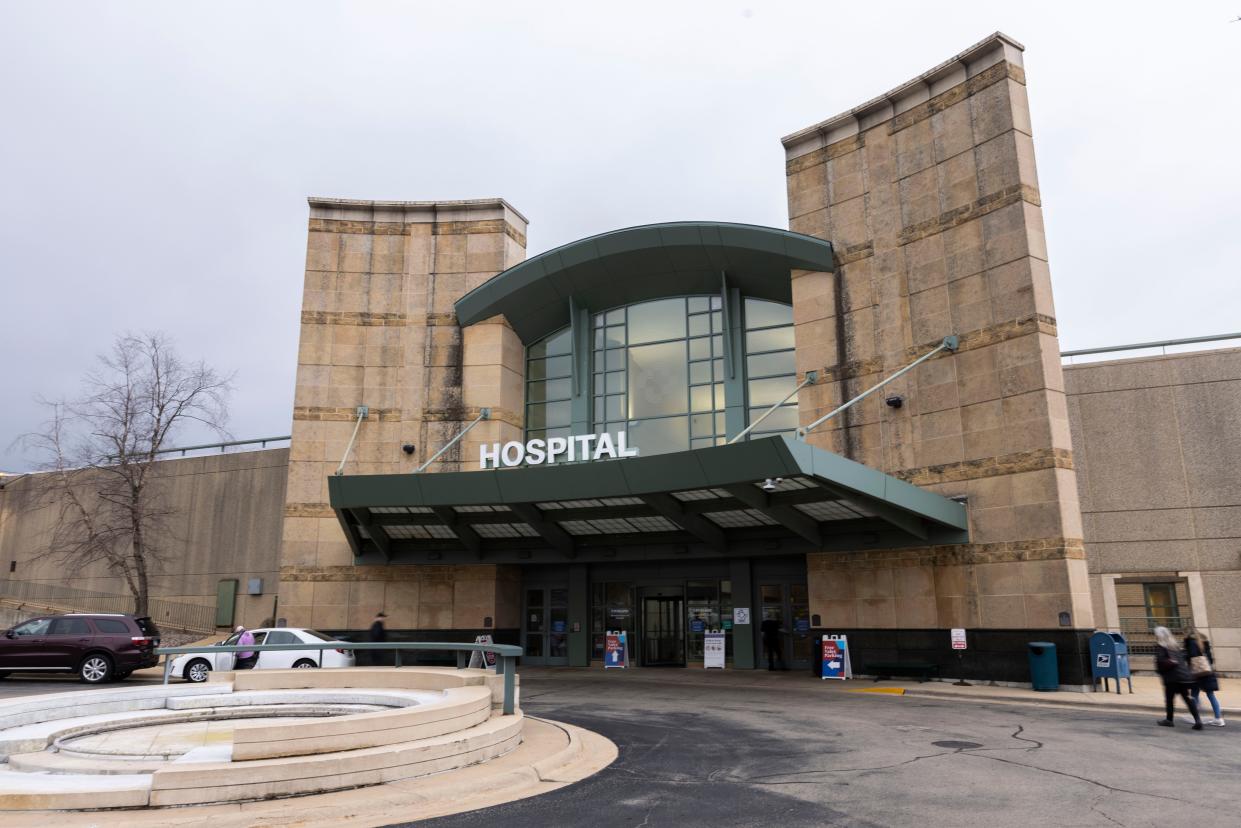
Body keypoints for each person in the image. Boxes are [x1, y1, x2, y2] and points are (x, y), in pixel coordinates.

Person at [1153, 626, 1201, 730]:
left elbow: (1160, 662)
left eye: (1156, 635)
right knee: (1187, 698)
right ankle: (1198, 720)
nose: (1155, 637)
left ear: (1159, 636)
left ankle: (1169, 720)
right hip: (1183, 676)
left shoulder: (1161, 647)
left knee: (1169, 699)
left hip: (1171, 677)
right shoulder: (1175, 646)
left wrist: (1160, 669)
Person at [1182, 628, 1225, 727]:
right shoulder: (1204, 642)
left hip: (1197, 673)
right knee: (1210, 695)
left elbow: (1191, 657)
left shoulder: (1191, 642)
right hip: (1207, 672)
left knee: (1194, 694)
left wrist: (1185, 653)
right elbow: (1210, 660)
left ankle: (1196, 717)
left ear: (1187, 634)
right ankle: (1218, 718)